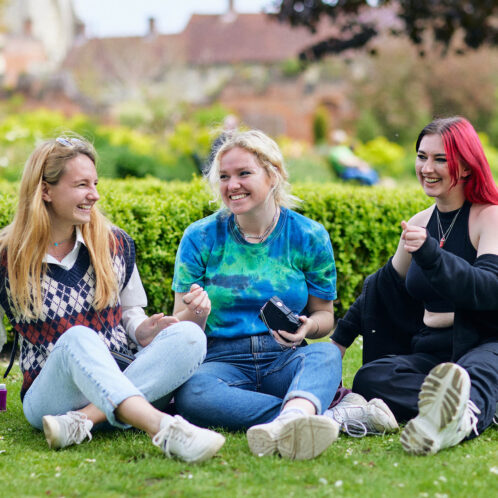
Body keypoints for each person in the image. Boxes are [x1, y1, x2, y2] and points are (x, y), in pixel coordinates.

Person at [171, 129, 395, 460]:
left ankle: (292, 418)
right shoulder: (201, 237)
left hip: (284, 357)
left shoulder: (308, 235)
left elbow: (325, 317)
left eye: (244, 173)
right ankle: (322, 416)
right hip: (221, 360)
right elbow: (180, 321)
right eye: (224, 177)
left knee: (327, 356)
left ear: (273, 174)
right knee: (192, 394)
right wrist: (197, 313)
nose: (232, 185)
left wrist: (307, 328)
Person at [0, 136, 225, 463]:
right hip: (52, 394)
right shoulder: (6, 256)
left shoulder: (114, 242)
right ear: (45, 191)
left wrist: (142, 331)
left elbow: (130, 314)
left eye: (94, 183)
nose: (95, 195)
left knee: (190, 335)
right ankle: (162, 427)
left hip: (122, 373)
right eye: (81, 185)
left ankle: (83, 422)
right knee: (78, 336)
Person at [331, 117, 498, 455]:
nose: (427, 168)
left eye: (440, 159)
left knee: (477, 370)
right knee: (371, 378)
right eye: (422, 157)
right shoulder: (421, 222)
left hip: (485, 342)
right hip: (433, 352)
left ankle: (462, 416)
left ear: (466, 166)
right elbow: (381, 289)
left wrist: (431, 256)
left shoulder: (488, 216)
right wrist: (337, 343)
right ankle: (464, 405)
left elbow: (487, 287)